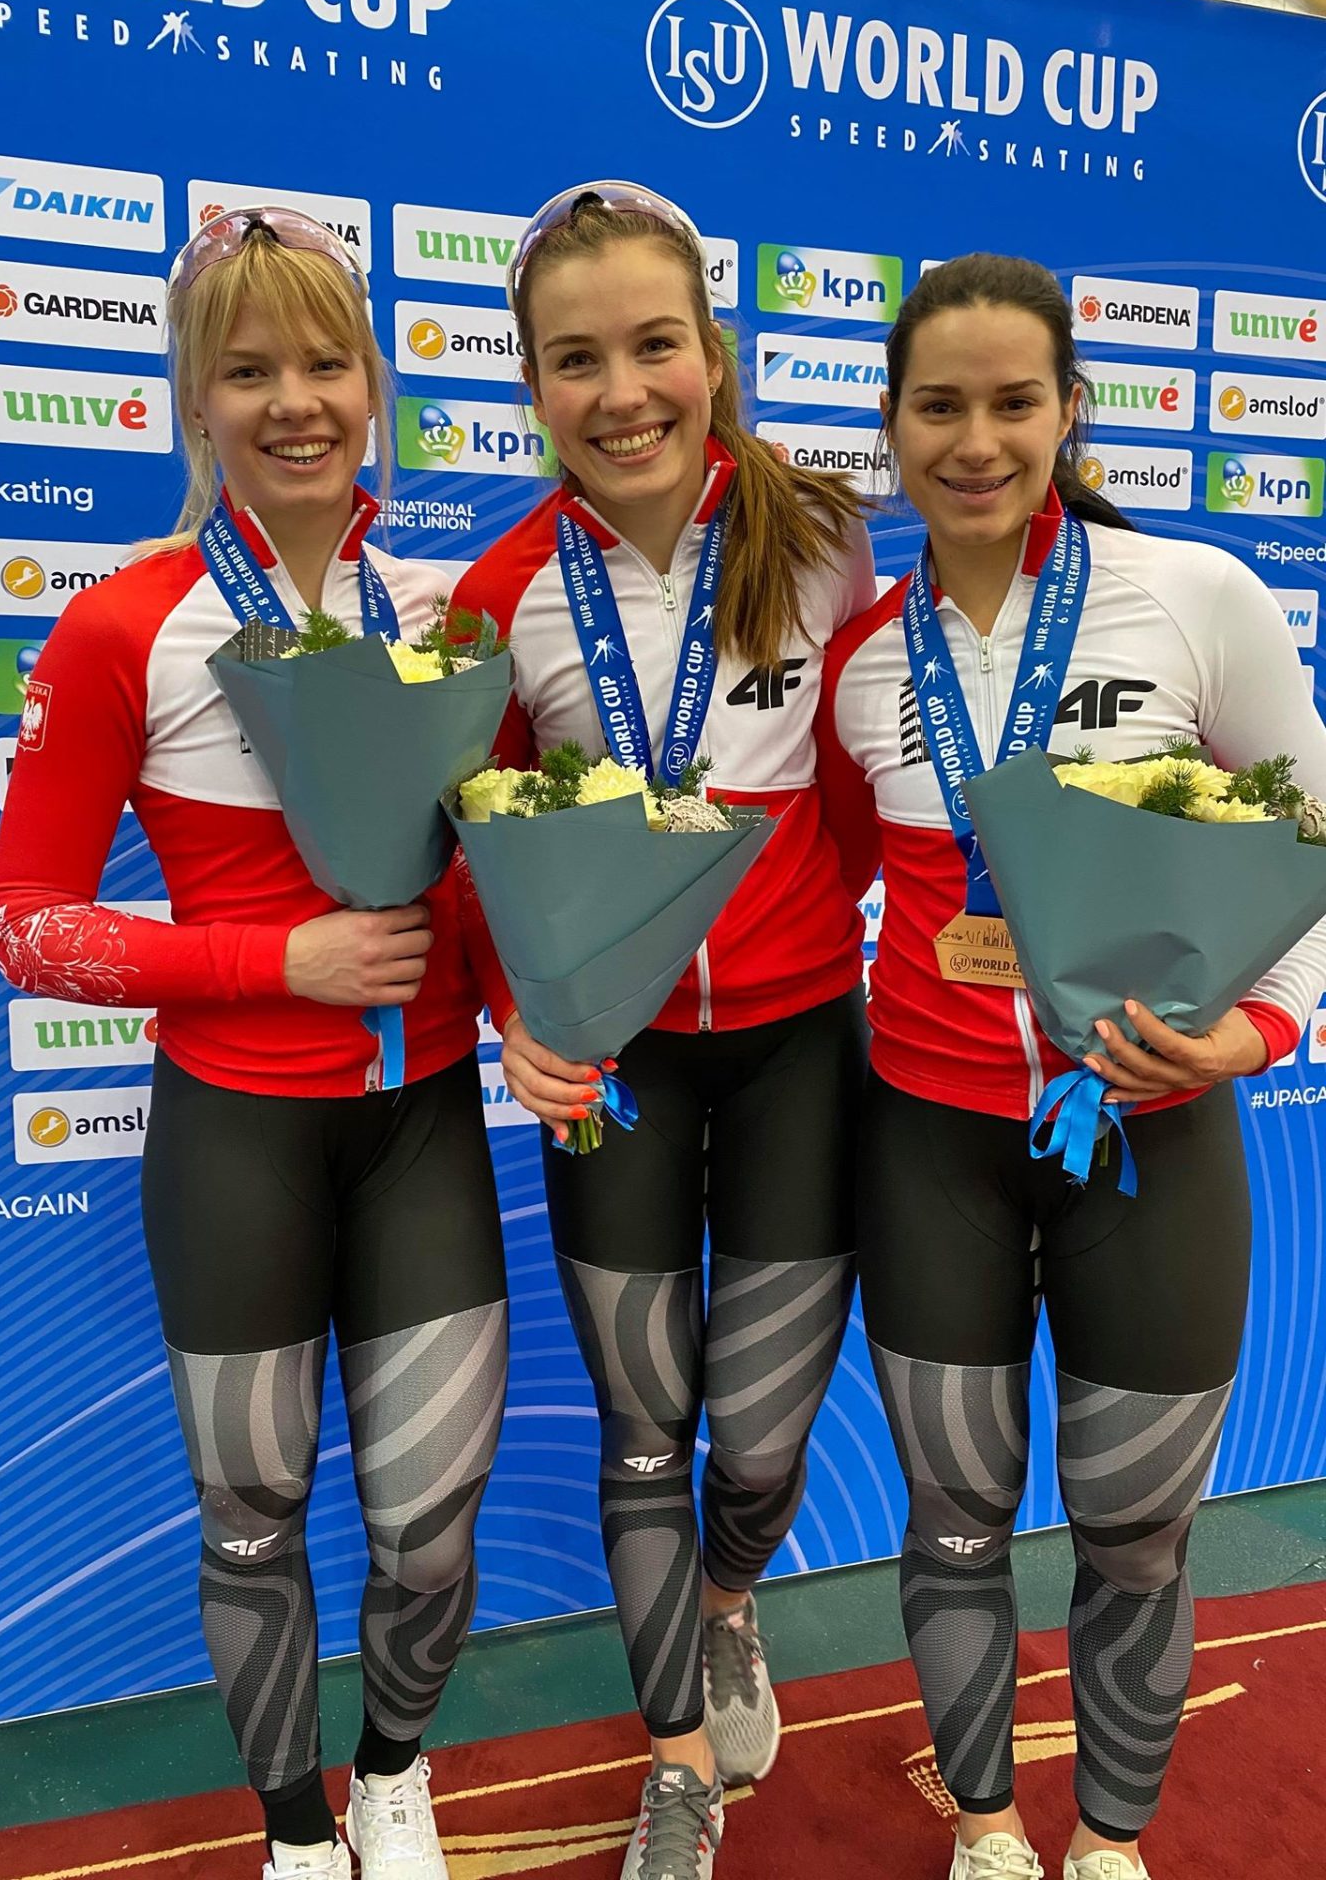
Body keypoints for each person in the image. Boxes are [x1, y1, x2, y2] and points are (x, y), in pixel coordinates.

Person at [0, 209, 508, 1880]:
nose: (295, 401)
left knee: (433, 1523)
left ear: (376, 387)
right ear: (193, 401)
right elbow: (28, 925)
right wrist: (274, 960)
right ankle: (295, 1836)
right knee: (251, 1513)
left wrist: (549, 1009)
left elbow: (508, 870)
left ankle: (394, 1778)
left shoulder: (448, 608)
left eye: (327, 363)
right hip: (236, 1136)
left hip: (422, 1125)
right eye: (249, 369)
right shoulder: (120, 626)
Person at [815, 251, 1326, 1880]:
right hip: (931, 1144)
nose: (976, 441)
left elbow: (1319, 841)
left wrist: (1255, 1031)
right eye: (938, 407)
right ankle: (986, 1831)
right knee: (955, 1523)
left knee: (1138, 1535)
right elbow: (817, 889)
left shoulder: (1192, 594)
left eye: (1013, 402)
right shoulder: (863, 660)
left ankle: (1107, 1843)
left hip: (1154, 1137)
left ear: (1068, 414)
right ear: (891, 427)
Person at [451, 182, 876, 1880]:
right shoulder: (501, 593)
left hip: (798, 1048)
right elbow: (477, 855)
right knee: (645, 1425)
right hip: (612, 1069)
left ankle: (731, 1601)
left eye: (654, 346)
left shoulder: (820, 541)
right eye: (576, 360)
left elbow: (866, 806)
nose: (621, 393)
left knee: (756, 1441)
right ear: (532, 385)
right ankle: (679, 1766)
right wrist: (518, 1018)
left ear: (714, 352)